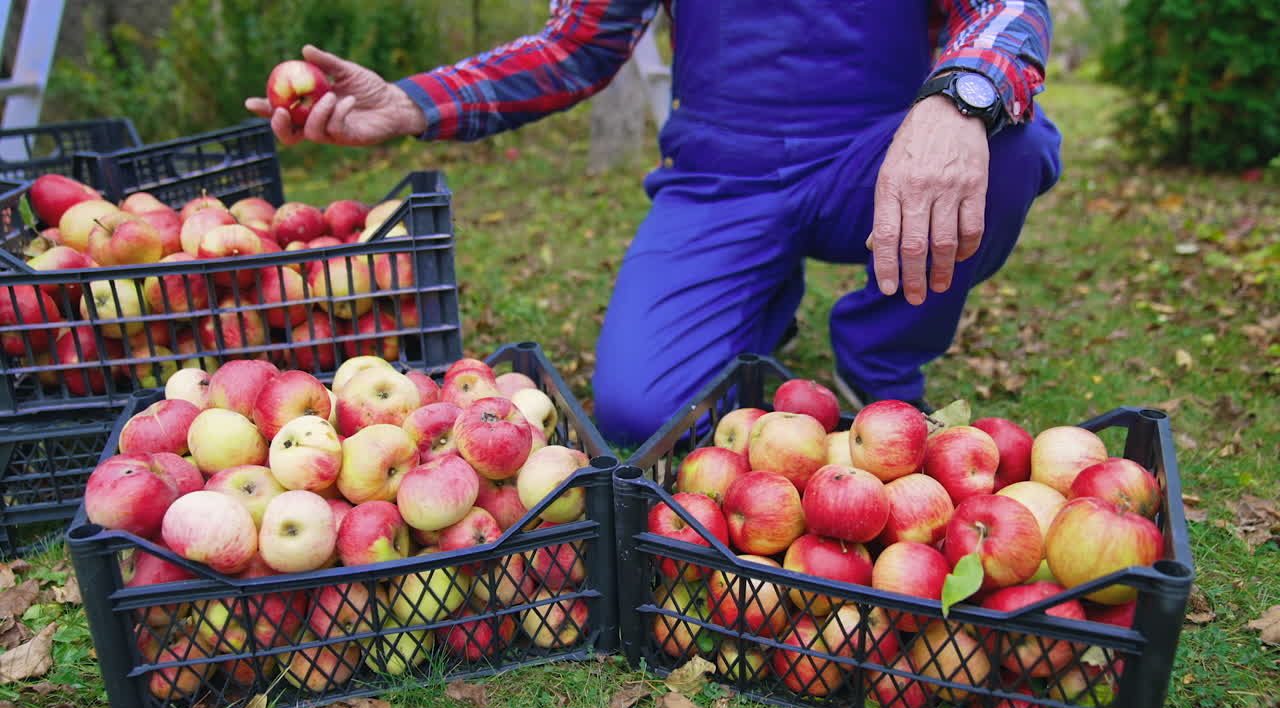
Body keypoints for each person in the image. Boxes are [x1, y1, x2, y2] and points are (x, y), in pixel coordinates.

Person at [246, 1, 1062, 449]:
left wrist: (962, 96)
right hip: (722, 181)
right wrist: (415, 101)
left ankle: (878, 353)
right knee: (644, 414)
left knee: (1006, 144)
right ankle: (756, 296)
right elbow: (575, 47)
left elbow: (1006, 10)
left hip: (875, 160)